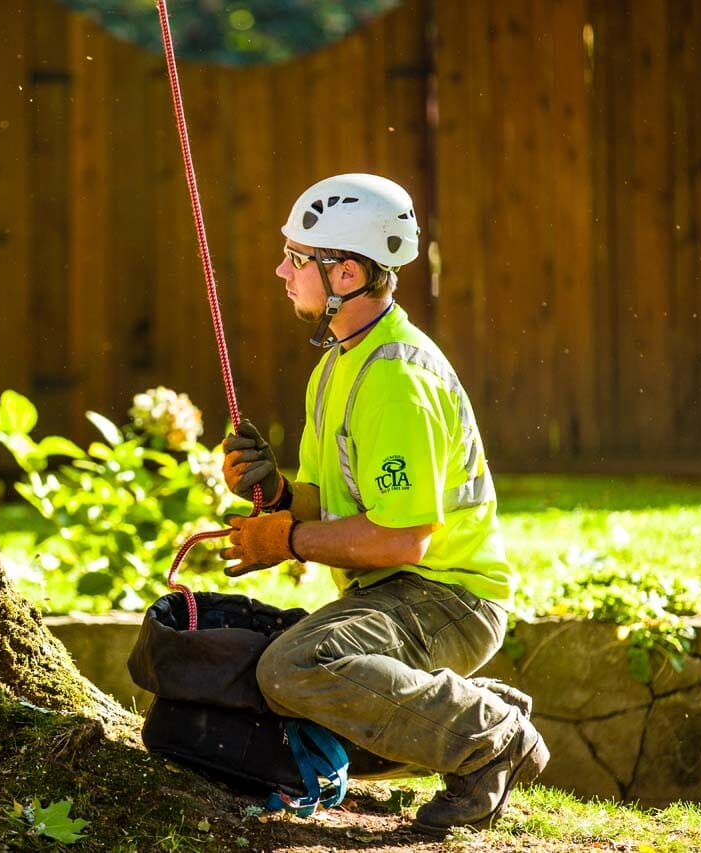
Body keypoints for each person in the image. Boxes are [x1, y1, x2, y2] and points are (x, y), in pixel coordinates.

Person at [219, 173, 548, 834]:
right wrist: (279, 495)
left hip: (448, 595)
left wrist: (281, 540)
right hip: (398, 590)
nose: (280, 269)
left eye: (296, 257)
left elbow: (404, 540)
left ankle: (490, 739)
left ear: (344, 273)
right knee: (281, 685)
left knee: (294, 666)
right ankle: (476, 706)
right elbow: (330, 501)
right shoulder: (340, 363)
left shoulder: (395, 377)